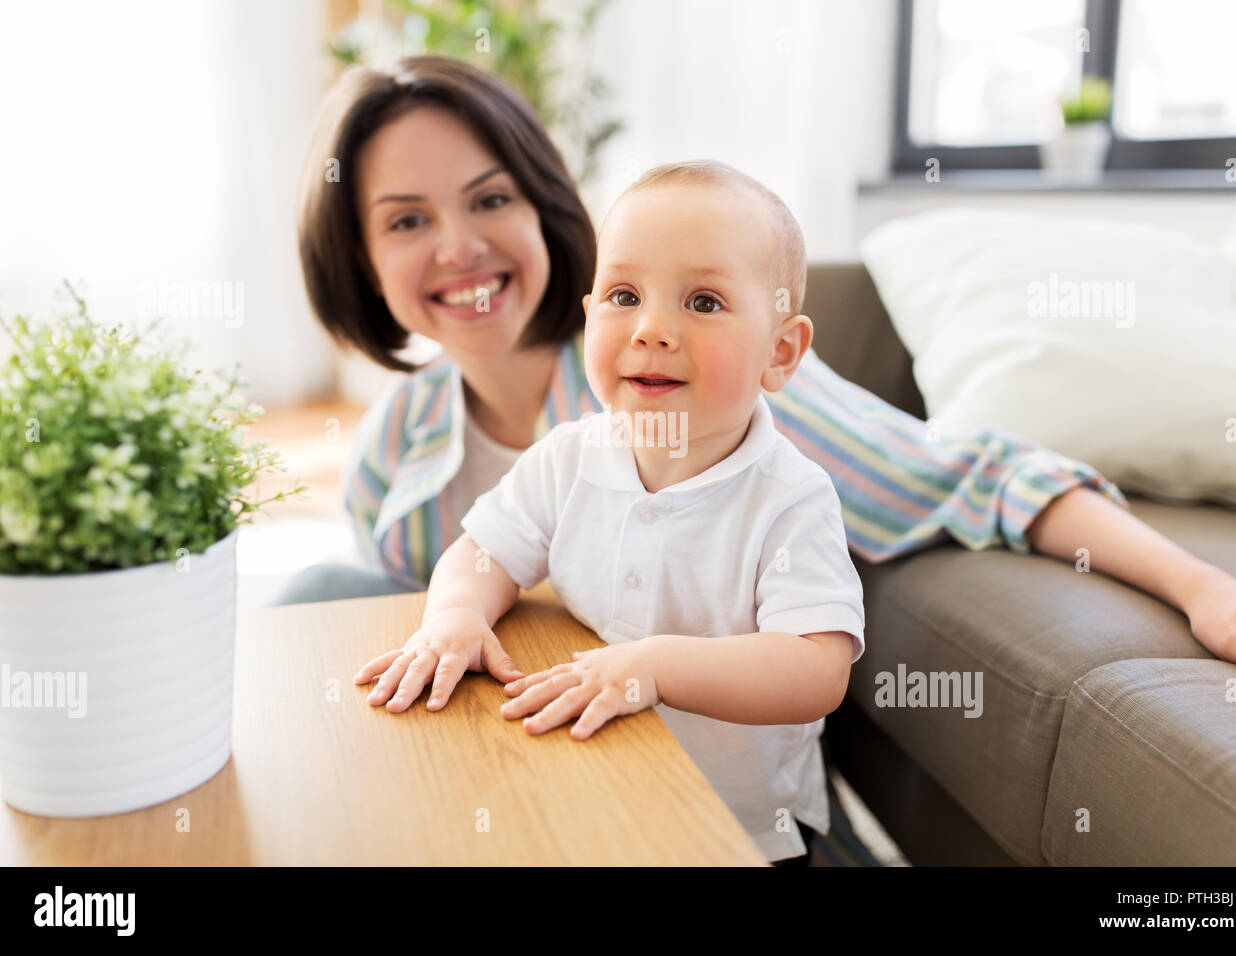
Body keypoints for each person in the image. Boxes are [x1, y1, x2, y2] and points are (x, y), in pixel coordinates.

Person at [287, 60, 1236, 714]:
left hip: (688, 769)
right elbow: (446, 585)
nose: (459, 246)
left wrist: (1201, 585)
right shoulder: (397, 447)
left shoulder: (720, 398)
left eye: (490, 198)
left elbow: (976, 477)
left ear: (547, 209)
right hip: (524, 742)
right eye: (406, 219)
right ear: (363, 261)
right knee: (316, 595)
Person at [353, 160, 863, 864]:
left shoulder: (790, 499)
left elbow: (816, 671)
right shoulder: (567, 458)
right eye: (625, 295)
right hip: (599, 788)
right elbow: (485, 552)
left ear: (780, 353)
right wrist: (456, 617)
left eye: (704, 303)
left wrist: (651, 667)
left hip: (743, 829)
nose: (652, 329)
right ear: (590, 317)